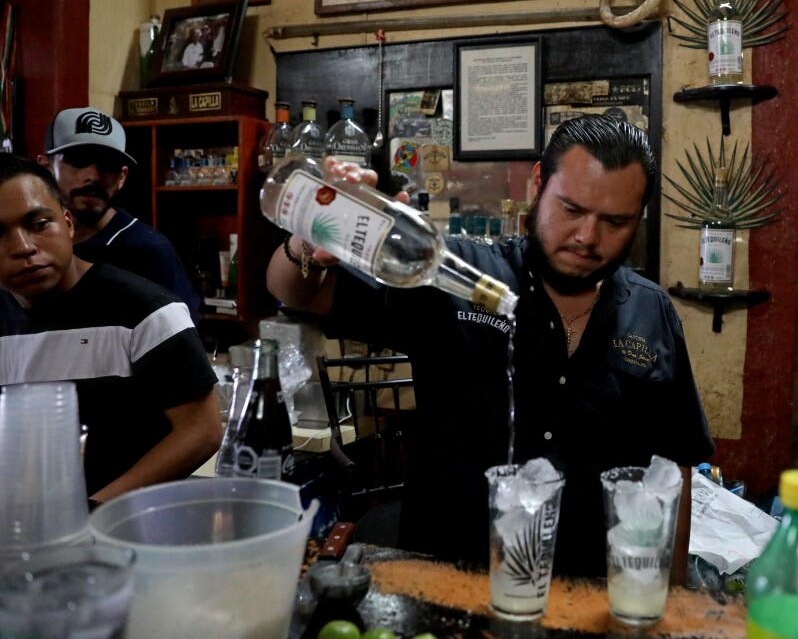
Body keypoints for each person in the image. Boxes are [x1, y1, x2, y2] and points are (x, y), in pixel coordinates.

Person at [267, 114, 715, 578]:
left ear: (639, 216)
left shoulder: (652, 312)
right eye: (572, 210)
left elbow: (674, 465)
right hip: (448, 578)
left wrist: (674, 593)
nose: (587, 237)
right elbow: (298, 292)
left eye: (614, 222)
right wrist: (307, 241)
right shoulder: (457, 276)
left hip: (592, 592)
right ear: (538, 184)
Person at [0, 155, 222, 503]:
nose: (23, 247)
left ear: (68, 224)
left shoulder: (146, 311)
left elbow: (201, 430)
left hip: (126, 535)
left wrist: (94, 513)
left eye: (40, 224)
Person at [37, 107, 202, 323]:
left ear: (122, 177)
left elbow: (183, 342)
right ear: (46, 168)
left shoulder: (148, 251)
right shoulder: (32, 245)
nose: (93, 176)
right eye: (78, 160)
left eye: (108, 165)